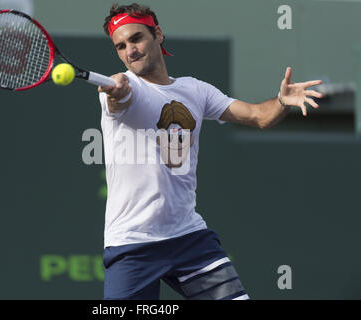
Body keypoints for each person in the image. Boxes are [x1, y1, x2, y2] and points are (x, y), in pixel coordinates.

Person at [97, 3, 323, 300]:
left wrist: (281, 101)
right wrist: (117, 91)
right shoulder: (125, 88)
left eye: (136, 38)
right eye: (121, 46)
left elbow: (258, 116)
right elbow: (120, 97)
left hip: (188, 238)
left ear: (158, 35)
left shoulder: (196, 90)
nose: (130, 51)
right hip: (133, 243)